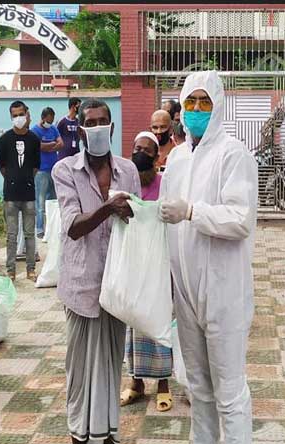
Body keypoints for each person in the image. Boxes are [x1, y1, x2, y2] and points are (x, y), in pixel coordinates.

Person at [159, 71, 258, 443]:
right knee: (198, 387)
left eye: (204, 102)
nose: (196, 110)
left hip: (223, 290)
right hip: (185, 291)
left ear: (218, 106)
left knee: (229, 391)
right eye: (190, 102)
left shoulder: (234, 154)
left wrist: (192, 212)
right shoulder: (179, 158)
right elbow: (165, 217)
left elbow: (240, 219)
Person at [52, 99, 141, 444]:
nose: (98, 126)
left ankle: (107, 433)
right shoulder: (65, 171)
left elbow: (135, 221)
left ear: (112, 128)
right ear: (82, 130)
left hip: (115, 284)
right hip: (82, 286)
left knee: (109, 363)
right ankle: (79, 434)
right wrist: (109, 208)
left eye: (104, 121)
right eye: (91, 122)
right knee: (80, 368)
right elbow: (73, 226)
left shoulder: (127, 171)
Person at [120, 131, 173, 412]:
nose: (141, 152)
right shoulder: (126, 184)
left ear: (156, 157)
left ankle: (164, 384)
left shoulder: (165, 185)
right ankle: (136, 383)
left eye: (147, 149)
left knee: (160, 322)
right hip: (134, 263)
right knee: (135, 324)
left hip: (160, 264)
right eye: (136, 147)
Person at [0, 100, 41, 282]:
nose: (18, 118)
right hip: (11, 196)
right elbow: (2, 166)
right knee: (11, 236)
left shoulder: (33, 139)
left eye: (21, 114)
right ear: (11, 117)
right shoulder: (5, 139)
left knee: (30, 235)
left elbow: (36, 166)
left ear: (26, 113)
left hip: (29, 194)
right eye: (14, 115)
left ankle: (31, 269)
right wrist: (13, 180)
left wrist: (25, 180)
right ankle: (11, 270)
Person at [32, 107, 64, 238]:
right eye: (48, 120)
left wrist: (48, 146)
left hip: (53, 169)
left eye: (52, 120)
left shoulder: (53, 129)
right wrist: (52, 145)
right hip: (41, 170)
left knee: (53, 201)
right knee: (40, 202)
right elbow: (38, 146)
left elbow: (61, 144)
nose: (50, 123)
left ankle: (52, 228)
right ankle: (39, 229)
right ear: (43, 118)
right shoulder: (35, 130)